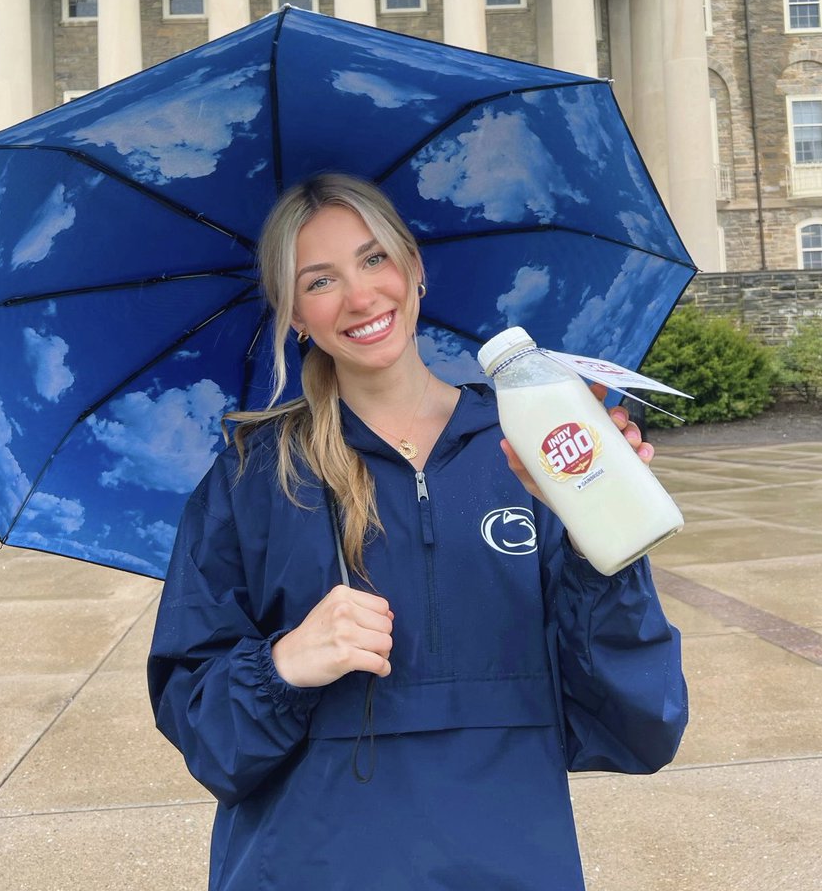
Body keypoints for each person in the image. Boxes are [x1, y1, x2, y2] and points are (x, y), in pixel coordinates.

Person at [148, 172, 687, 891]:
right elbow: (209, 742)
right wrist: (282, 666)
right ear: (293, 316)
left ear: (414, 269)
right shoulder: (251, 476)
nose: (361, 296)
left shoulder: (527, 446)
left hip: (509, 862)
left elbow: (636, 726)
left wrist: (602, 536)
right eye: (319, 280)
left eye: (374, 259)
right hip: (305, 866)